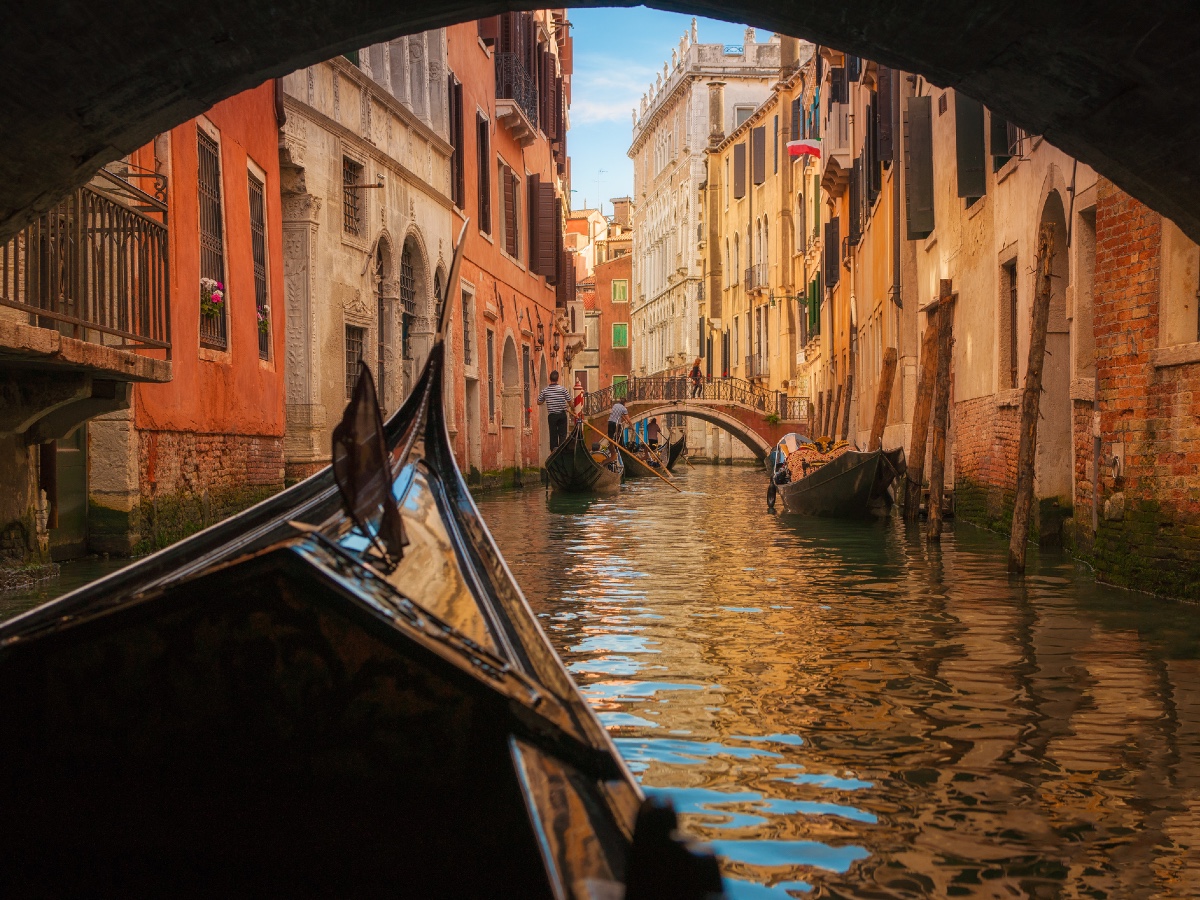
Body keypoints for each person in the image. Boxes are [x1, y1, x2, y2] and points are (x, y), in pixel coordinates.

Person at [537, 370, 571, 451]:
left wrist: (546, 399)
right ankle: (562, 451)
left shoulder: (545, 391)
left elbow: (538, 402)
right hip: (562, 414)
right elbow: (570, 401)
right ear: (558, 379)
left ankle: (554, 452)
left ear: (550, 379)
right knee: (562, 434)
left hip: (552, 416)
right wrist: (571, 408)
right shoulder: (563, 389)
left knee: (553, 435)